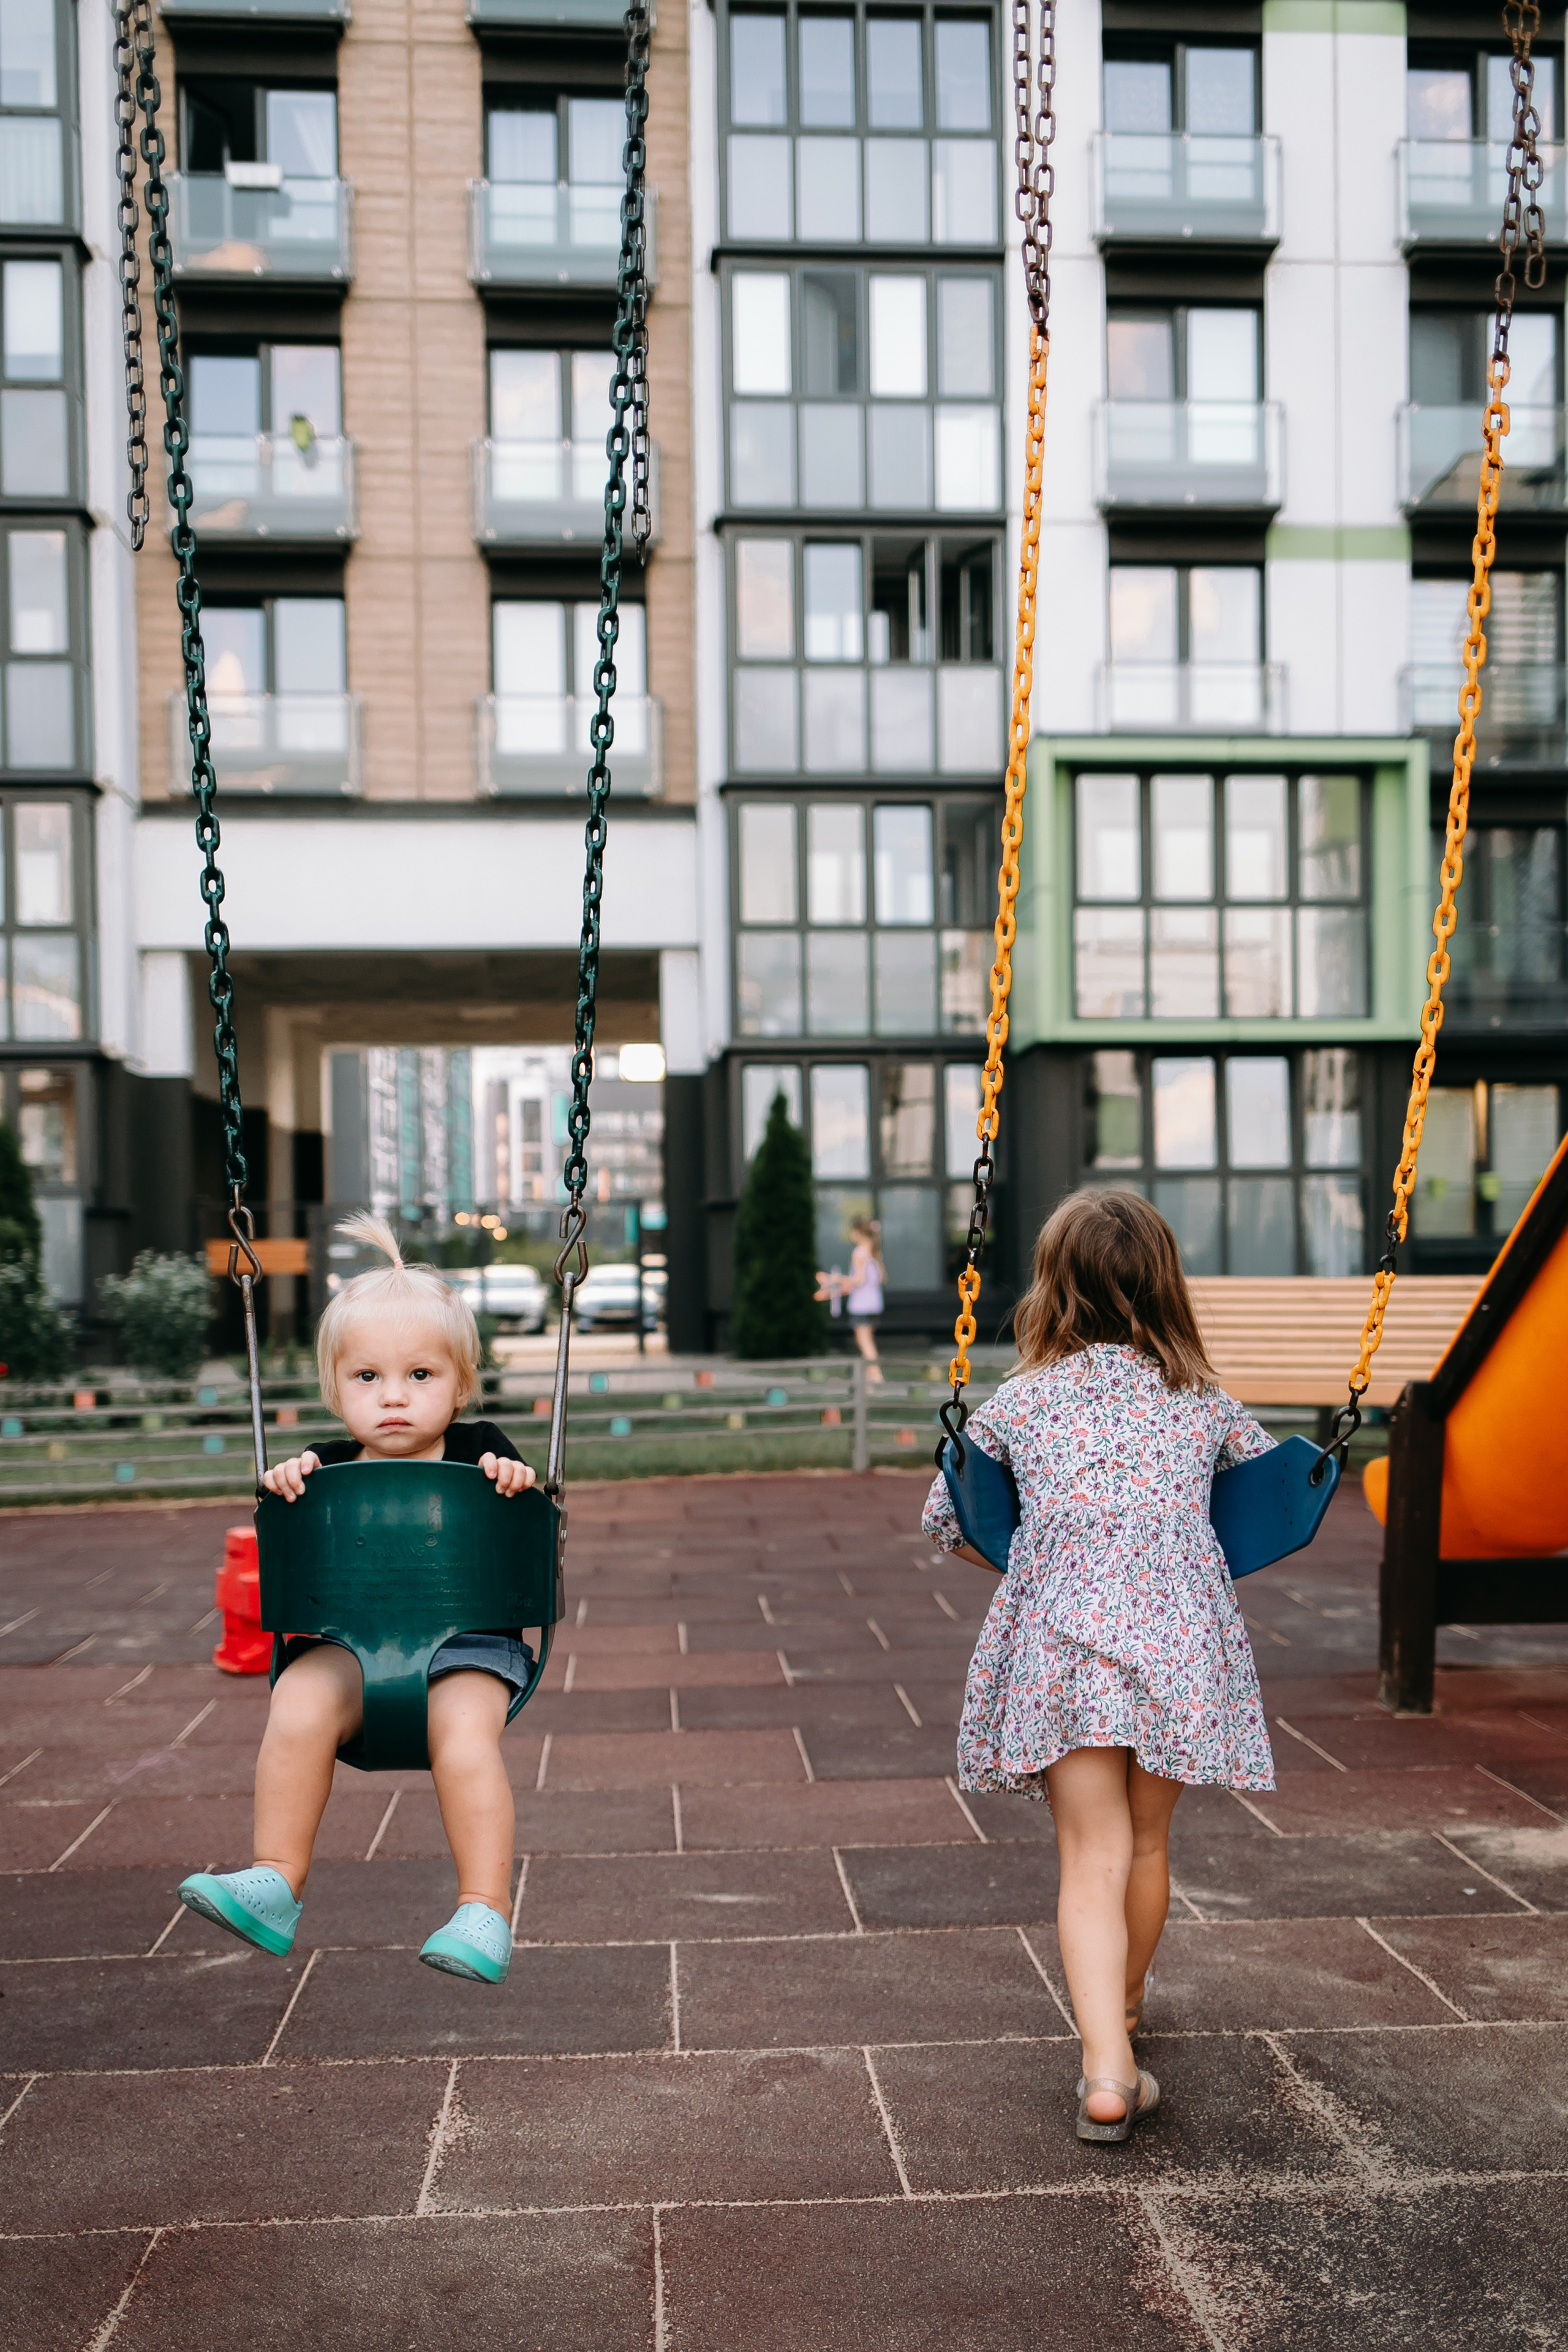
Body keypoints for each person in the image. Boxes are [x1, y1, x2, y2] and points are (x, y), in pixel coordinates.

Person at [921, 1190, 1276, 2143]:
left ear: (1051, 1288)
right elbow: (1279, 1497)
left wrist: (1046, 1556)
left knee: (1092, 1855)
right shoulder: (1201, 1397)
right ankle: (1119, 2011)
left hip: (1064, 1649)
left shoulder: (1025, 1399)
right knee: (1150, 1846)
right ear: (1165, 1286)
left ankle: (1106, 2070)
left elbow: (947, 1520)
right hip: (1178, 1647)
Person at [177, 1215, 537, 1986]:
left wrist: (515, 1481)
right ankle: (276, 1879)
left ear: (461, 1384)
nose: (394, 1398)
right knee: (297, 1704)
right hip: (350, 1645)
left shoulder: (484, 1450)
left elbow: (523, 1498)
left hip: (467, 1643)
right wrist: (285, 1484)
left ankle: (485, 1909)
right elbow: (293, 1508)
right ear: (335, 1388)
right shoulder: (325, 1465)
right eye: (367, 1378)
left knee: (463, 1735)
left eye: (420, 1375)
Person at [816, 1218, 885, 1383]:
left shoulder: (859, 1253)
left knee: (864, 1342)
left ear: (858, 1232)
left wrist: (836, 1279)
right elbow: (882, 1278)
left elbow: (859, 1280)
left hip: (862, 1304)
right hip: (875, 1303)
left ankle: (876, 1375)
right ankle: (870, 1379)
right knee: (868, 1340)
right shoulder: (874, 1251)